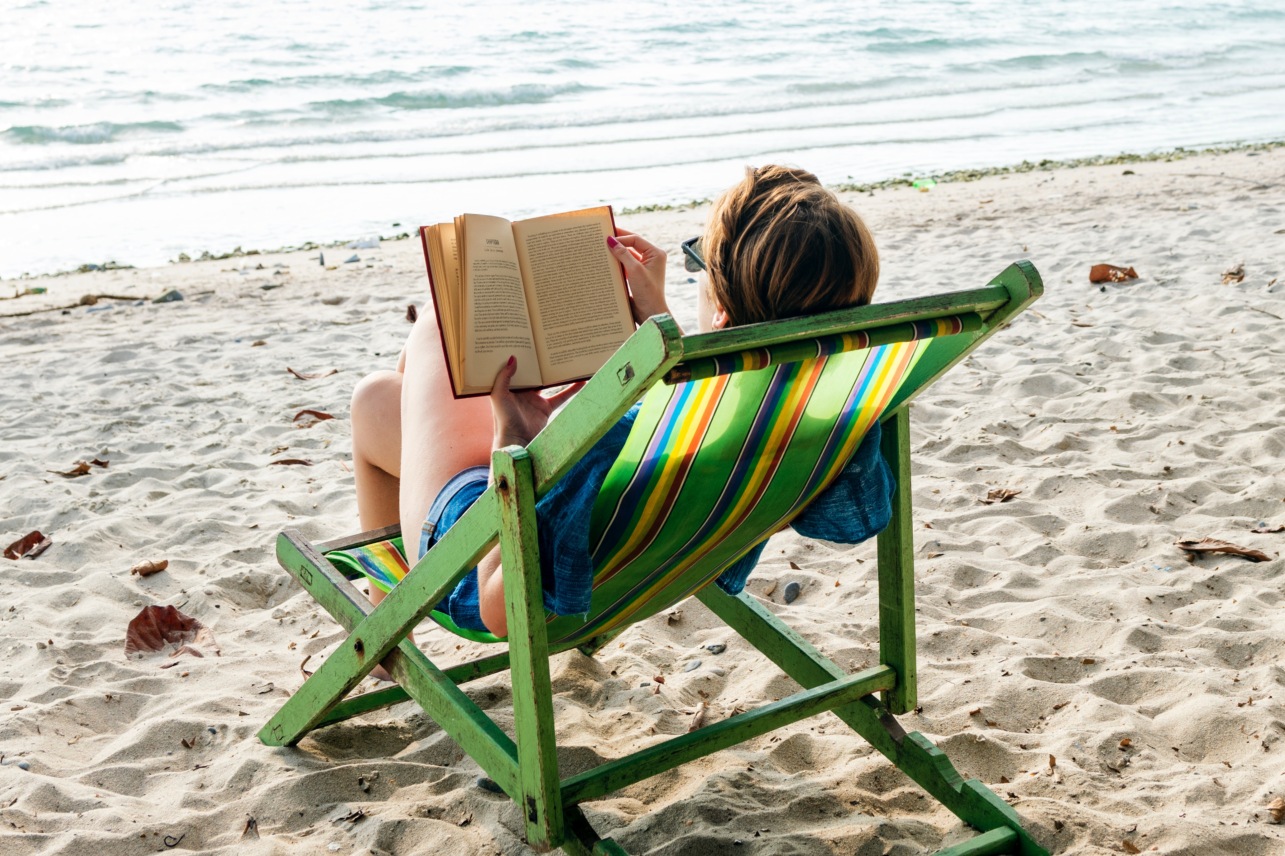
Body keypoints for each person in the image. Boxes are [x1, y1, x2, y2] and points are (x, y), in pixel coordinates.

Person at [350, 165, 892, 646]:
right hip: (645, 570)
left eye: (698, 264)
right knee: (387, 396)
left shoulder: (618, 439)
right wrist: (664, 335)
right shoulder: (839, 415)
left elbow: (501, 611)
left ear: (721, 313)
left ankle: (385, 626)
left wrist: (511, 443)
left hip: (474, 561)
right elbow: (851, 520)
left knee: (417, 346)